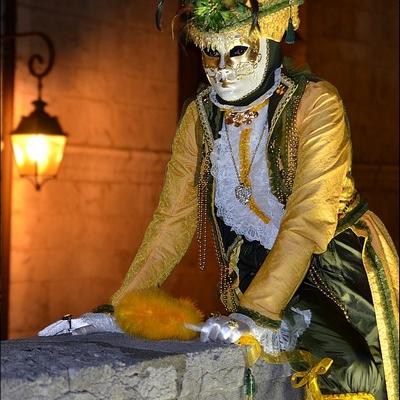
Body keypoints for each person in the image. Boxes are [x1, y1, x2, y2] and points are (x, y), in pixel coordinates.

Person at [39, 1, 399, 399]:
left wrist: (256, 314)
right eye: (212, 52)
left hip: (334, 265)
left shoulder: (315, 103)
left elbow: (309, 216)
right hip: (254, 268)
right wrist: (119, 308)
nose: (223, 68)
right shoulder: (200, 116)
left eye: (239, 50)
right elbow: (173, 217)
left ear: (270, 40)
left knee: (356, 369)